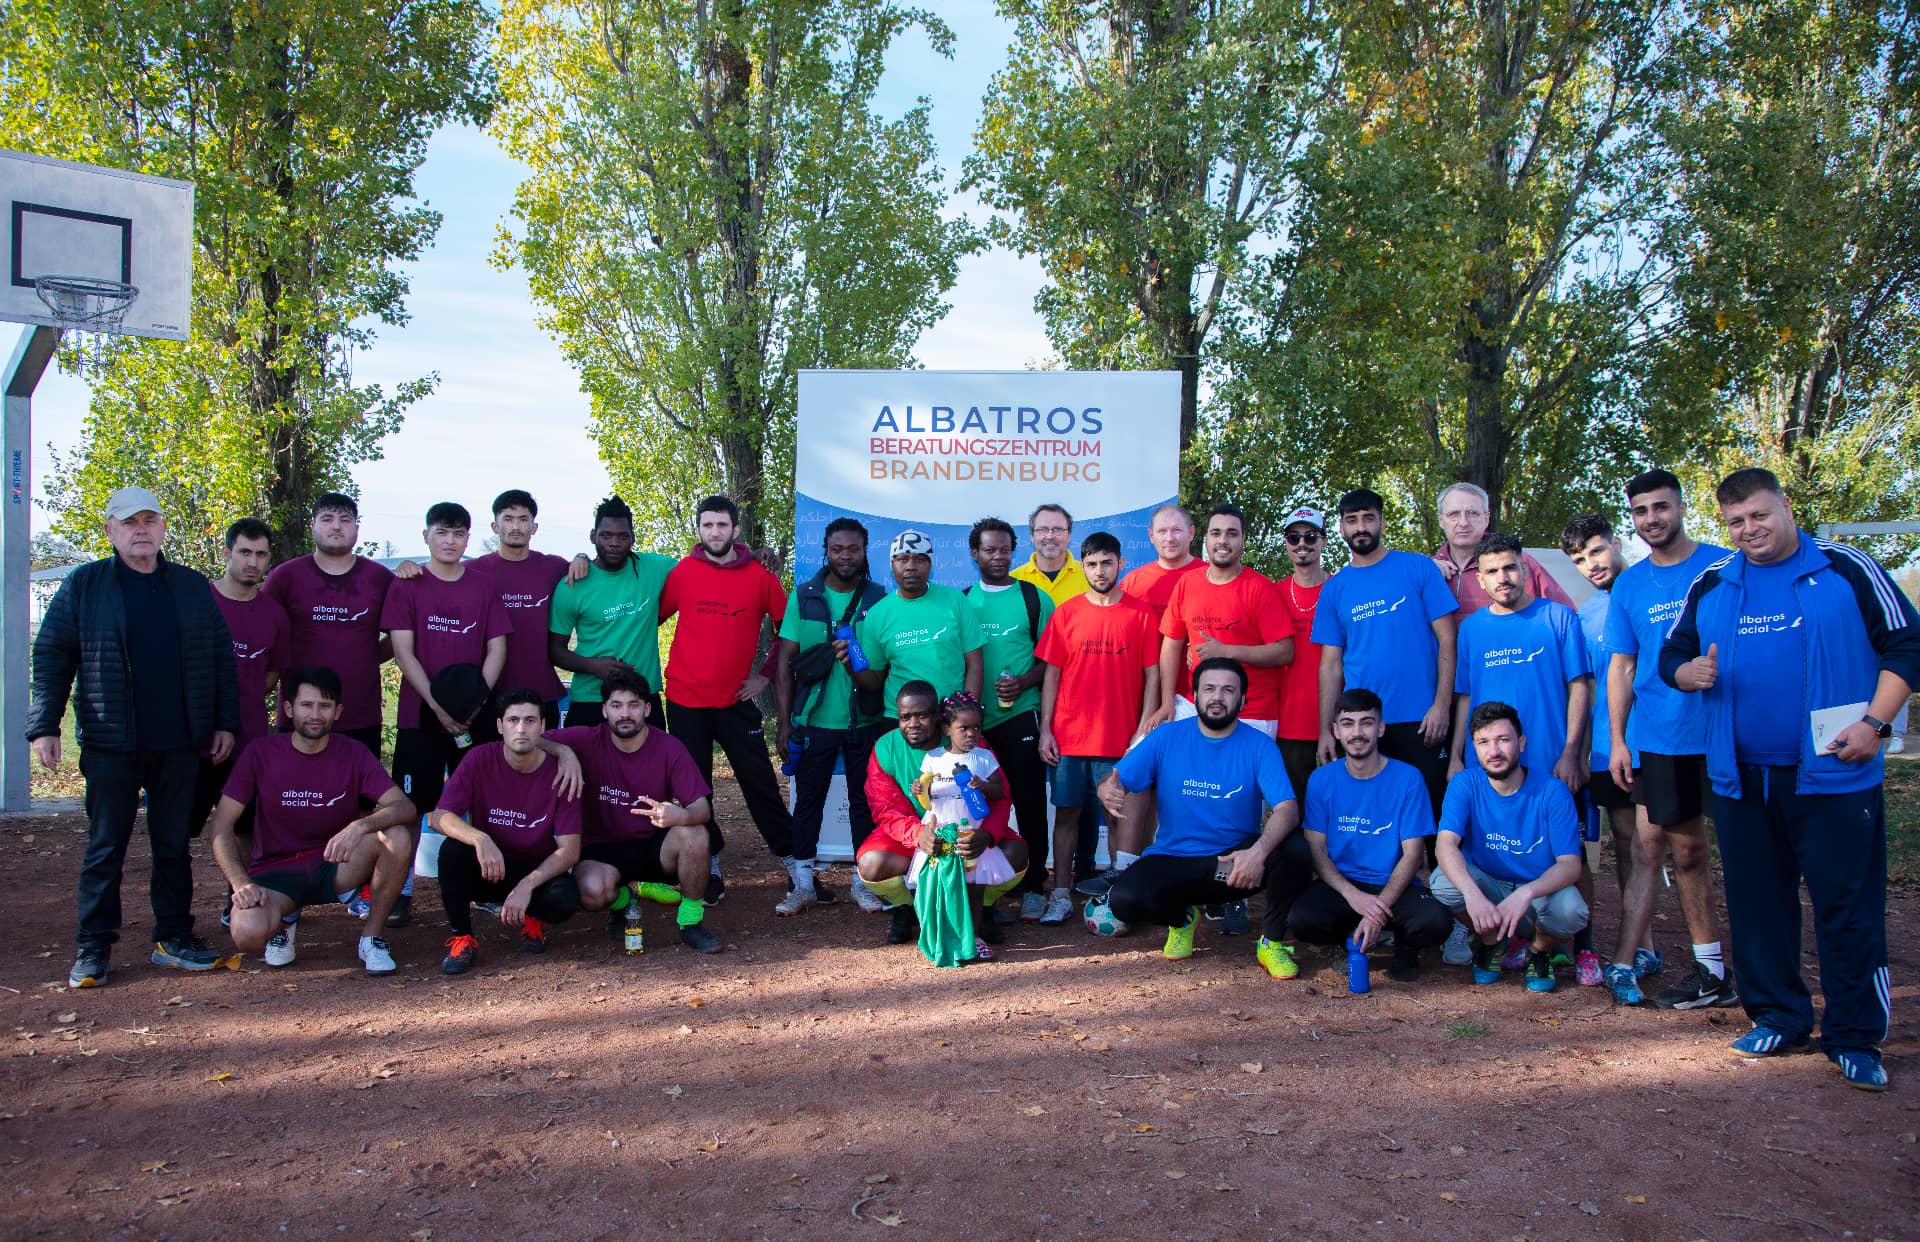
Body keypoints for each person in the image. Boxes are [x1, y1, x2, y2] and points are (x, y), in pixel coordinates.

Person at [1660, 467, 1919, 1091]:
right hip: (1741, 779)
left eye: (1759, 515)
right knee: (1758, 907)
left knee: (1846, 908)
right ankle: (1779, 1015)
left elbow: (1908, 646)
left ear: (1785, 507)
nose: (1749, 530)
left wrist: (1875, 726)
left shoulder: (1845, 568)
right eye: (1736, 522)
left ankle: (1855, 1036)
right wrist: (1685, 673)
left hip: (1835, 772)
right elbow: (1672, 654)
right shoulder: (1715, 580)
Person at [31, 486, 240, 988]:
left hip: (180, 743)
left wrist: (224, 722)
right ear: (110, 530)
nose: (140, 529)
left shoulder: (190, 587)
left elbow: (219, 659)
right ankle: (94, 945)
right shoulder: (86, 586)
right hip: (111, 742)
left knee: (172, 845)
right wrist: (44, 725)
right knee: (106, 846)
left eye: (150, 520)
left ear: (163, 527)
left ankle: (173, 938)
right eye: (129, 522)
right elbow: (53, 655)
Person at [1604, 468, 1740, 1011]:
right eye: (1640, 511)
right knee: (1682, 850)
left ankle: (1760, 967)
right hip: (1661, 736)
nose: (1651, 519)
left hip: (1730, 730)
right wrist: (1618, 739)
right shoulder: (1631, 585)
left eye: (1660, 507)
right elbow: (1622, 664)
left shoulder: (1725, 565)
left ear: (1681, 507)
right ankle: (1710, 971)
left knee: (1753, 849)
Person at [1098, 658, 1313, 977]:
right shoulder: (1167, 737)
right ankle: (1182, 920)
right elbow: (1117, 779)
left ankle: (1272, 942)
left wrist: (1257, 853)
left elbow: (1287, 808)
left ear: (1242, 700)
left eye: (1228, 690)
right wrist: (1106, 789)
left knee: (1296, 850)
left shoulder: (1259, 746)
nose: (1217, 697)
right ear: (1195, 696)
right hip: (1174, 858)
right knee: (1126, 901)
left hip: (1231, 865)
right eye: (1209, 688)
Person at [1448, 530, 1596, 983]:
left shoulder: (1558, 618)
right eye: (1491, 571)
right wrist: (1456, 754)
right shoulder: (1472, 629)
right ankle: (1508, 939)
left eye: (1510, 567)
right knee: (1485, 850)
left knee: (1572, 853)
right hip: (1488, 761)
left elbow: (1580, 686)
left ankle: (1582, 947)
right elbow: (1464, 696)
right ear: (1481, 578)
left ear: (1525, 568)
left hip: (1551, 760)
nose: (1503, 577)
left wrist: (1573, 752)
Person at [208, 666, 416, 975]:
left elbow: (403, 807)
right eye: (306, 705)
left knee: (396, 835)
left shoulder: (353, 752)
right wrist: (241, 884)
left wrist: (359, 826)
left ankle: (372, 937)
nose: (315, 714)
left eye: (325, 706)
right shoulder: (260, 753)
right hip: (275, 872)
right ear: (289, 709)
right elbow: (221, 827)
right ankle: (283, 923)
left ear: (338, 711)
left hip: (334, 863)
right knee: (247, 934)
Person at [657, 495, 794, 903]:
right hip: (684, 699)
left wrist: (765, 676)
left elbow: (788, 631)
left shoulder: (759, 574)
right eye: (707, 525)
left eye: (722, 525)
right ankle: (709, 866)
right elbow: (650, 619)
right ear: (698, 530)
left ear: (736, 530)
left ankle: (796, 865)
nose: (714, 532)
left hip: (735, 701)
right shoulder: (682, 572)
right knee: (696, 791)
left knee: (761, 783)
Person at [1033, 533, 1161, 923]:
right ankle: (1059, 893)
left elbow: (1152, 675)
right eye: (1092, 564)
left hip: (1121, 741)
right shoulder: (1066, 613)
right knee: (1067, 815)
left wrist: (1144, 728)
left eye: (1107, 563)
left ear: (1120, 564)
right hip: (1069, 739)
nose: (1100, 571)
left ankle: (1121, 896)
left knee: (1120, 817)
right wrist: (1047, 731)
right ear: (1083, 566)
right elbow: (1051, 676)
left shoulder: (1141, 614)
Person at [551, 669, 725, 953]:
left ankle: (691, 923)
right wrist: (564, 752)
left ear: (646, 708)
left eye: (633, 705)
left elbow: (701, 808)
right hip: (602, 848)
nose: (625, 714)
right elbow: (534, 740)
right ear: (604, 710)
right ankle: (621, 899)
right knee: (592, 893)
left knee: (695, 834)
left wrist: (679, 815)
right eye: (616, 706)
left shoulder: (669, 747)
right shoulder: (585, 739)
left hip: (653, 845)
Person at [1288, 688, 1452, 981]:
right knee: (1302, 920)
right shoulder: (1322, 779)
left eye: (1367, 722)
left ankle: (1405, 945)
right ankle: (1342, 940)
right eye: (1348, 723)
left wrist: (1379, 906)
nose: (1357, 732)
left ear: (1381, 728)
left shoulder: (1408, 778)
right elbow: (1317, 849)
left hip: (1393, 884)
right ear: (1336, 731)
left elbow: (1413, 854)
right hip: (1343, 885)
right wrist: (1354, 896)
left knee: (1436, 922)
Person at [1563, 513, 1660, 1004]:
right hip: (1603, 749)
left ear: (1617, 543)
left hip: (1657, 745)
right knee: (1621, 844)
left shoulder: (1651, 591)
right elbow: (1585, 689)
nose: (1591, 565)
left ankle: (1646, 946)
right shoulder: (1586, 616)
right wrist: (1578, 751)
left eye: (1596, 552)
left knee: (1658, 848)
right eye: (1580, 559)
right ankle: (1633, 945)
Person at [1429, 702, 1589, 993]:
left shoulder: (1551, 791)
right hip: (1489, 887)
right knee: (1443, 883)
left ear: (1522, 742)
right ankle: (1493, 942)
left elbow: (1570, 865)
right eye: (1484, 742)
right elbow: (1445, 845)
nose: (1494, 751)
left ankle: (1538, 951)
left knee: (1572, 910)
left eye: (1503, 740)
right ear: (1474, 747)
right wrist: (1471, 893)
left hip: (1537, 894)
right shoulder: (1465, 783)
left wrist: (1527, 892)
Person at [854, 682, 1028, 951]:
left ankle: (980, 908)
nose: (913, 724)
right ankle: (908, 907)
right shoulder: (885, 748)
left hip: (969, 832)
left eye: (922, 715)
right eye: (905, 717)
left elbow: (1000, 797)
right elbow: (885, 808)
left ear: (938, 717)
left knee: (1015, 853)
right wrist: (919, 835)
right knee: (871, 864)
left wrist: (986, 835)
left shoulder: (970, 742)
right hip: (918, 835)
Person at [1314, 488, 1457, 814]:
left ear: (1382, 522)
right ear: (1342, 528)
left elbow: (1448, 641)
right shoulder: (1335, 589)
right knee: (1376, 818)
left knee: (1435, 815)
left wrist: (1441, 705)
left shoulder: (1418, 569)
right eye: (1352, 520)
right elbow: (1331, 666)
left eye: (1368, 518)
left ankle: (1440, 868)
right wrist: (1327, 729)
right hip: (1364, 724)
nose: (1361, 527)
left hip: (1422, 720)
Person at [772, 516, 887, 914]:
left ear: (864, 552)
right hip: (813, 723)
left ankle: (864, 882)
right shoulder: (804, 596)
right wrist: (784, 721)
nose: (845, 556)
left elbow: (886, 660)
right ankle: (802, 883)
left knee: (865, 803)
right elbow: (785, 661)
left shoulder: (878, 597)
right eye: (837, 549)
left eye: (853, 549)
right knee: (808, 803)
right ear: (826, 550)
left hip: (866, 721)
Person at [432, 690, 585, 975]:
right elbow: (439, 818)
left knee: (563, 899)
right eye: (513, 720)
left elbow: (570, 850)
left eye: (529, 721)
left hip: (533, 869)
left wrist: (527, 885)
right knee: (452, 852)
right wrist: (480, 838)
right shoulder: (479, 759)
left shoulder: (562, 773)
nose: (521, 729)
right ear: (500, 726)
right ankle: (462, 938)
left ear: (542, 727)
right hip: (490, 865)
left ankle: (532, 918)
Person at [382, 501, 512, 818]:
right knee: (408, 809)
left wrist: (475, 703)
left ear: (468, 538)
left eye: (458, 533)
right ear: (426, 536)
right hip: (420, 717)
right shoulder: (406, 585)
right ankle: (403, 869)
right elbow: (402, 652)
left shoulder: (483, 585)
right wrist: (438, 707)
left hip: (473, 718)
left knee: (482, 806)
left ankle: (478, 868)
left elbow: (498, 648)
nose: (450, 541)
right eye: (442, 533)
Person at [193, 519, 291, 923]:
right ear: (227, 553)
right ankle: (174, 919)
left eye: (261, 554)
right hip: (194, 739)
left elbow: (271, 674)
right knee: (178, 828)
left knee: (247, 826)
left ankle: (237, 898)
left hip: (249, 738)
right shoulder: (199, 601)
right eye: (245, 553)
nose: (253, 562)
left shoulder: (273, 614)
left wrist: (241, 707)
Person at [963, 517, 1055, 922]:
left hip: (1020, 716)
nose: (998, 556)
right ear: (975, 554)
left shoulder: (1035, 598)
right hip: (973, 726)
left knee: (1031, 803)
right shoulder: (962, 601)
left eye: (1004, 549)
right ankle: (984, 887)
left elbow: (1052, 661)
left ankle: (1035, 885)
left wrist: (1022, 683)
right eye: (989, 550)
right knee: (975, 804)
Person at [262, 492, 395, 756]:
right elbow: (264, 635)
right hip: (298, 715)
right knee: (296, 794)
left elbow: (400, 637)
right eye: (327, 519)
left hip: (360, 713)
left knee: (359, 793)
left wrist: (366, 656)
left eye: (345, 520)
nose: (336, 525)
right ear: (313, 527)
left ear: (356, 529)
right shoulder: (285, 577)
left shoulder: (379, 578)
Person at [1153, 503, 1293, 733]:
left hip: (1251, 712)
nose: (1223, 541)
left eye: (1232, 533)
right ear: (1205, 538)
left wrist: (1227, 651)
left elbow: (1285, 651)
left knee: (1231, 770)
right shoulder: (1188, 583)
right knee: (1140, 753)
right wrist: (1167, 701)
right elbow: (1171, 644)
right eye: (1216, 533)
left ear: (1243, 539)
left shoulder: (1260, 588)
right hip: (1195, 705)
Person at [548, 495, 675, 727]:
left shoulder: (656, 568)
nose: (614, 543)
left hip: (642, 697)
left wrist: (747, 554)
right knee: (585, 764)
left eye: (622, 536)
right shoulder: (573, 584)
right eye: (606, 535)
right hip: (590, 699)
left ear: (633, 538)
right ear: (593, 536)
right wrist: (593, 666)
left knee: (648, 764)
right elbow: (555, 650)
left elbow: (702, 566)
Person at [469, 490, 572, 728]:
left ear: (534, 527)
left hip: (541, 693)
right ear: (495, 526)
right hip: (489, 695)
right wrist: (409, 568)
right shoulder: (473, 571)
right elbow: (436, 574)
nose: (516, 526)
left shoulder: (553, 567)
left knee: (543, 764)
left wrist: (580, 557)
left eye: (523, 519)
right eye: (508, 519)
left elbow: (591, 575)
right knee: (489, 764)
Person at [855, 529, 985, 711]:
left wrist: (966, 711)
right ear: (891, 565)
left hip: (950, 715)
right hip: (900, 720)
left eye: (920, 559)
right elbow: (874, 680)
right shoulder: (877, 614)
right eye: (902, 559)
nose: (911, 566)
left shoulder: (956, 600)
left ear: (931, 565)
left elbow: (975, 664)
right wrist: (849, 661)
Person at [1430, 482, 1573, 621]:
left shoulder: (1517, 562)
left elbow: (1565, 616)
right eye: (1454, 514)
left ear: (1486, 519)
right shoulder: (1429, 570)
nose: (1463, 522)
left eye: (1472, 513)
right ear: (1441, 520)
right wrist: (1424, 571)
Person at [1275, 506, 1329, 799]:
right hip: (1289, 721)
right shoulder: (1274, 593)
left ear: (1323, 541)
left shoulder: (1340, 589)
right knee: (1294, 808)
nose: (1302, 545)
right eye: (1294, 538)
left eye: (1310, 537)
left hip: (1338, 720)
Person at [1010, 503, 1089, 605]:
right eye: (1043, 530)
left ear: (1069, 535)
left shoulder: (1090, 577)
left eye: (1058, 529)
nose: (1050, 536)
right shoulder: (1013, 581)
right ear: (1032, 536)